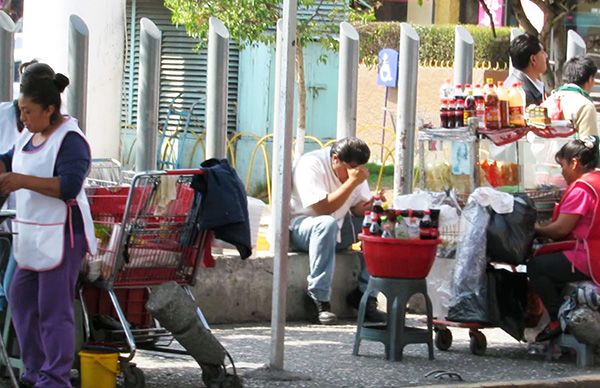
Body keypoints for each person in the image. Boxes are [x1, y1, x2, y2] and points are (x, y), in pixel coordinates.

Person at [0, 63, 97, 387]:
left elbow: (68, 186)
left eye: (28, 111)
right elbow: (8, 160)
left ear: (49, 109)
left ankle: (55, 378)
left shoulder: (72, 140)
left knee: (53, 309)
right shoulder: (30, 134)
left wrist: (19, 181)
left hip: (64, 234)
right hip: (31, 233)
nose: (23, 118)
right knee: (21, 297)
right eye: (21, 111)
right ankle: (34, 369)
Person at [290, 137, 384, 325]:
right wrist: (351, 183)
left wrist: (371, 205)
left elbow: (357, 209)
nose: (355, 174)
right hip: (303, 228)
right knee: (326, 223)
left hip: (338, 228)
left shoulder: (355, 174)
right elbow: (322, 209)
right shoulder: (311, 164)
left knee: (379, 225)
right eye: (350, 168)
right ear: (335, 159)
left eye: (358, 169)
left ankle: (365, 294)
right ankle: (319, 297)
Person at [528, 137, 600, 342]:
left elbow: (560, 230)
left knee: (537, 266)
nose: (562, 172)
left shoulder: (582, 188)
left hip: (590, 256)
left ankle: (557, 319)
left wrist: (534, 228)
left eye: (563, 166)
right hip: (593, 252)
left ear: (574, 162)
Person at [542, 55, 598, 137]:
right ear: (590, 79)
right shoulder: (585, 106)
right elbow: (590, 144)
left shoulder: (548, 101)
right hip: (572, 150)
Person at [504, 33, 548, 106]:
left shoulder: (518, 84)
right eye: (542, 52)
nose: (546, 56)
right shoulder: (522, 93)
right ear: (533, 59)